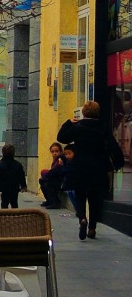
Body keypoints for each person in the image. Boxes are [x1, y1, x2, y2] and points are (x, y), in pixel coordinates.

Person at [57, 100, 125, 240]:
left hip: (80, 166)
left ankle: (82, 218)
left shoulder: (78, 127)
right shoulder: (103, 127)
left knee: (80, 195)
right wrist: (119, 162)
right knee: (95, 198)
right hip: (98, 168)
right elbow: (113, 145)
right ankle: (92, 228)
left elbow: (61, 138)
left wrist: (69, 122)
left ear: (84, 112)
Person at [0, 144, 27, 208]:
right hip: (15, 188)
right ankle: (15, 215)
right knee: (14, 203)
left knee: (4, 202)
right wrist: (23, 186)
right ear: (14, 153)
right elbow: (22, 176)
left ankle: (4, 215)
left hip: (4, 188)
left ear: (3, 153)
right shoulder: (18, 165)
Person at [39, 142, 65, 208]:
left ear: (61, 151)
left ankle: (55, 202)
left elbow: (54, 172)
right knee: (42, 181)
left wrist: (46, 175)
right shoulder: (55, 160)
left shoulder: (61, 159)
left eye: (57, 151)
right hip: (55, 180)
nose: (54, 153)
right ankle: (49, 200)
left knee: (47, 182)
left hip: (62, 182)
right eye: (52, 152)